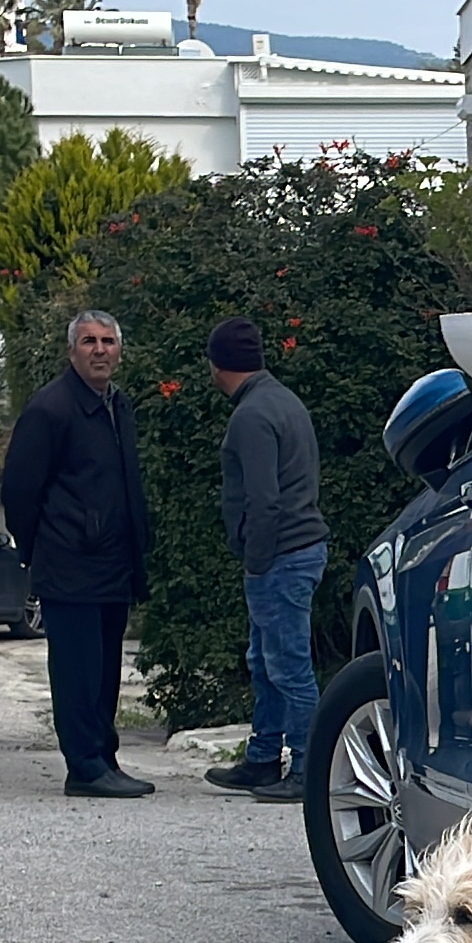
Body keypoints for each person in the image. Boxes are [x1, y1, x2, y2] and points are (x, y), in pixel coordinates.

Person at [2, 310, 158, 798]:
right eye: (89, 341)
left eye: (107, 341)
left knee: (106, 669)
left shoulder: (118, 406)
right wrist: (41, 547)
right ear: (72, 351)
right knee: (77, 671)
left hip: (113, 564)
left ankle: (103, 756)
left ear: (119, 350)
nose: (99, 350)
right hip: (69, 564)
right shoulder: (51, 410)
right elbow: (20, 492)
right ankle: (84, 766)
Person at [201, 316, 327, 801]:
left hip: (280, 555)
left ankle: (305, 765)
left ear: (218, 365)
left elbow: (263, 499)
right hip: (298, 549)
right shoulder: (284, 401)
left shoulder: (251, 416)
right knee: (267, 660)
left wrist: (255, 559)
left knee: (286, 663)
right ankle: (262, 757)